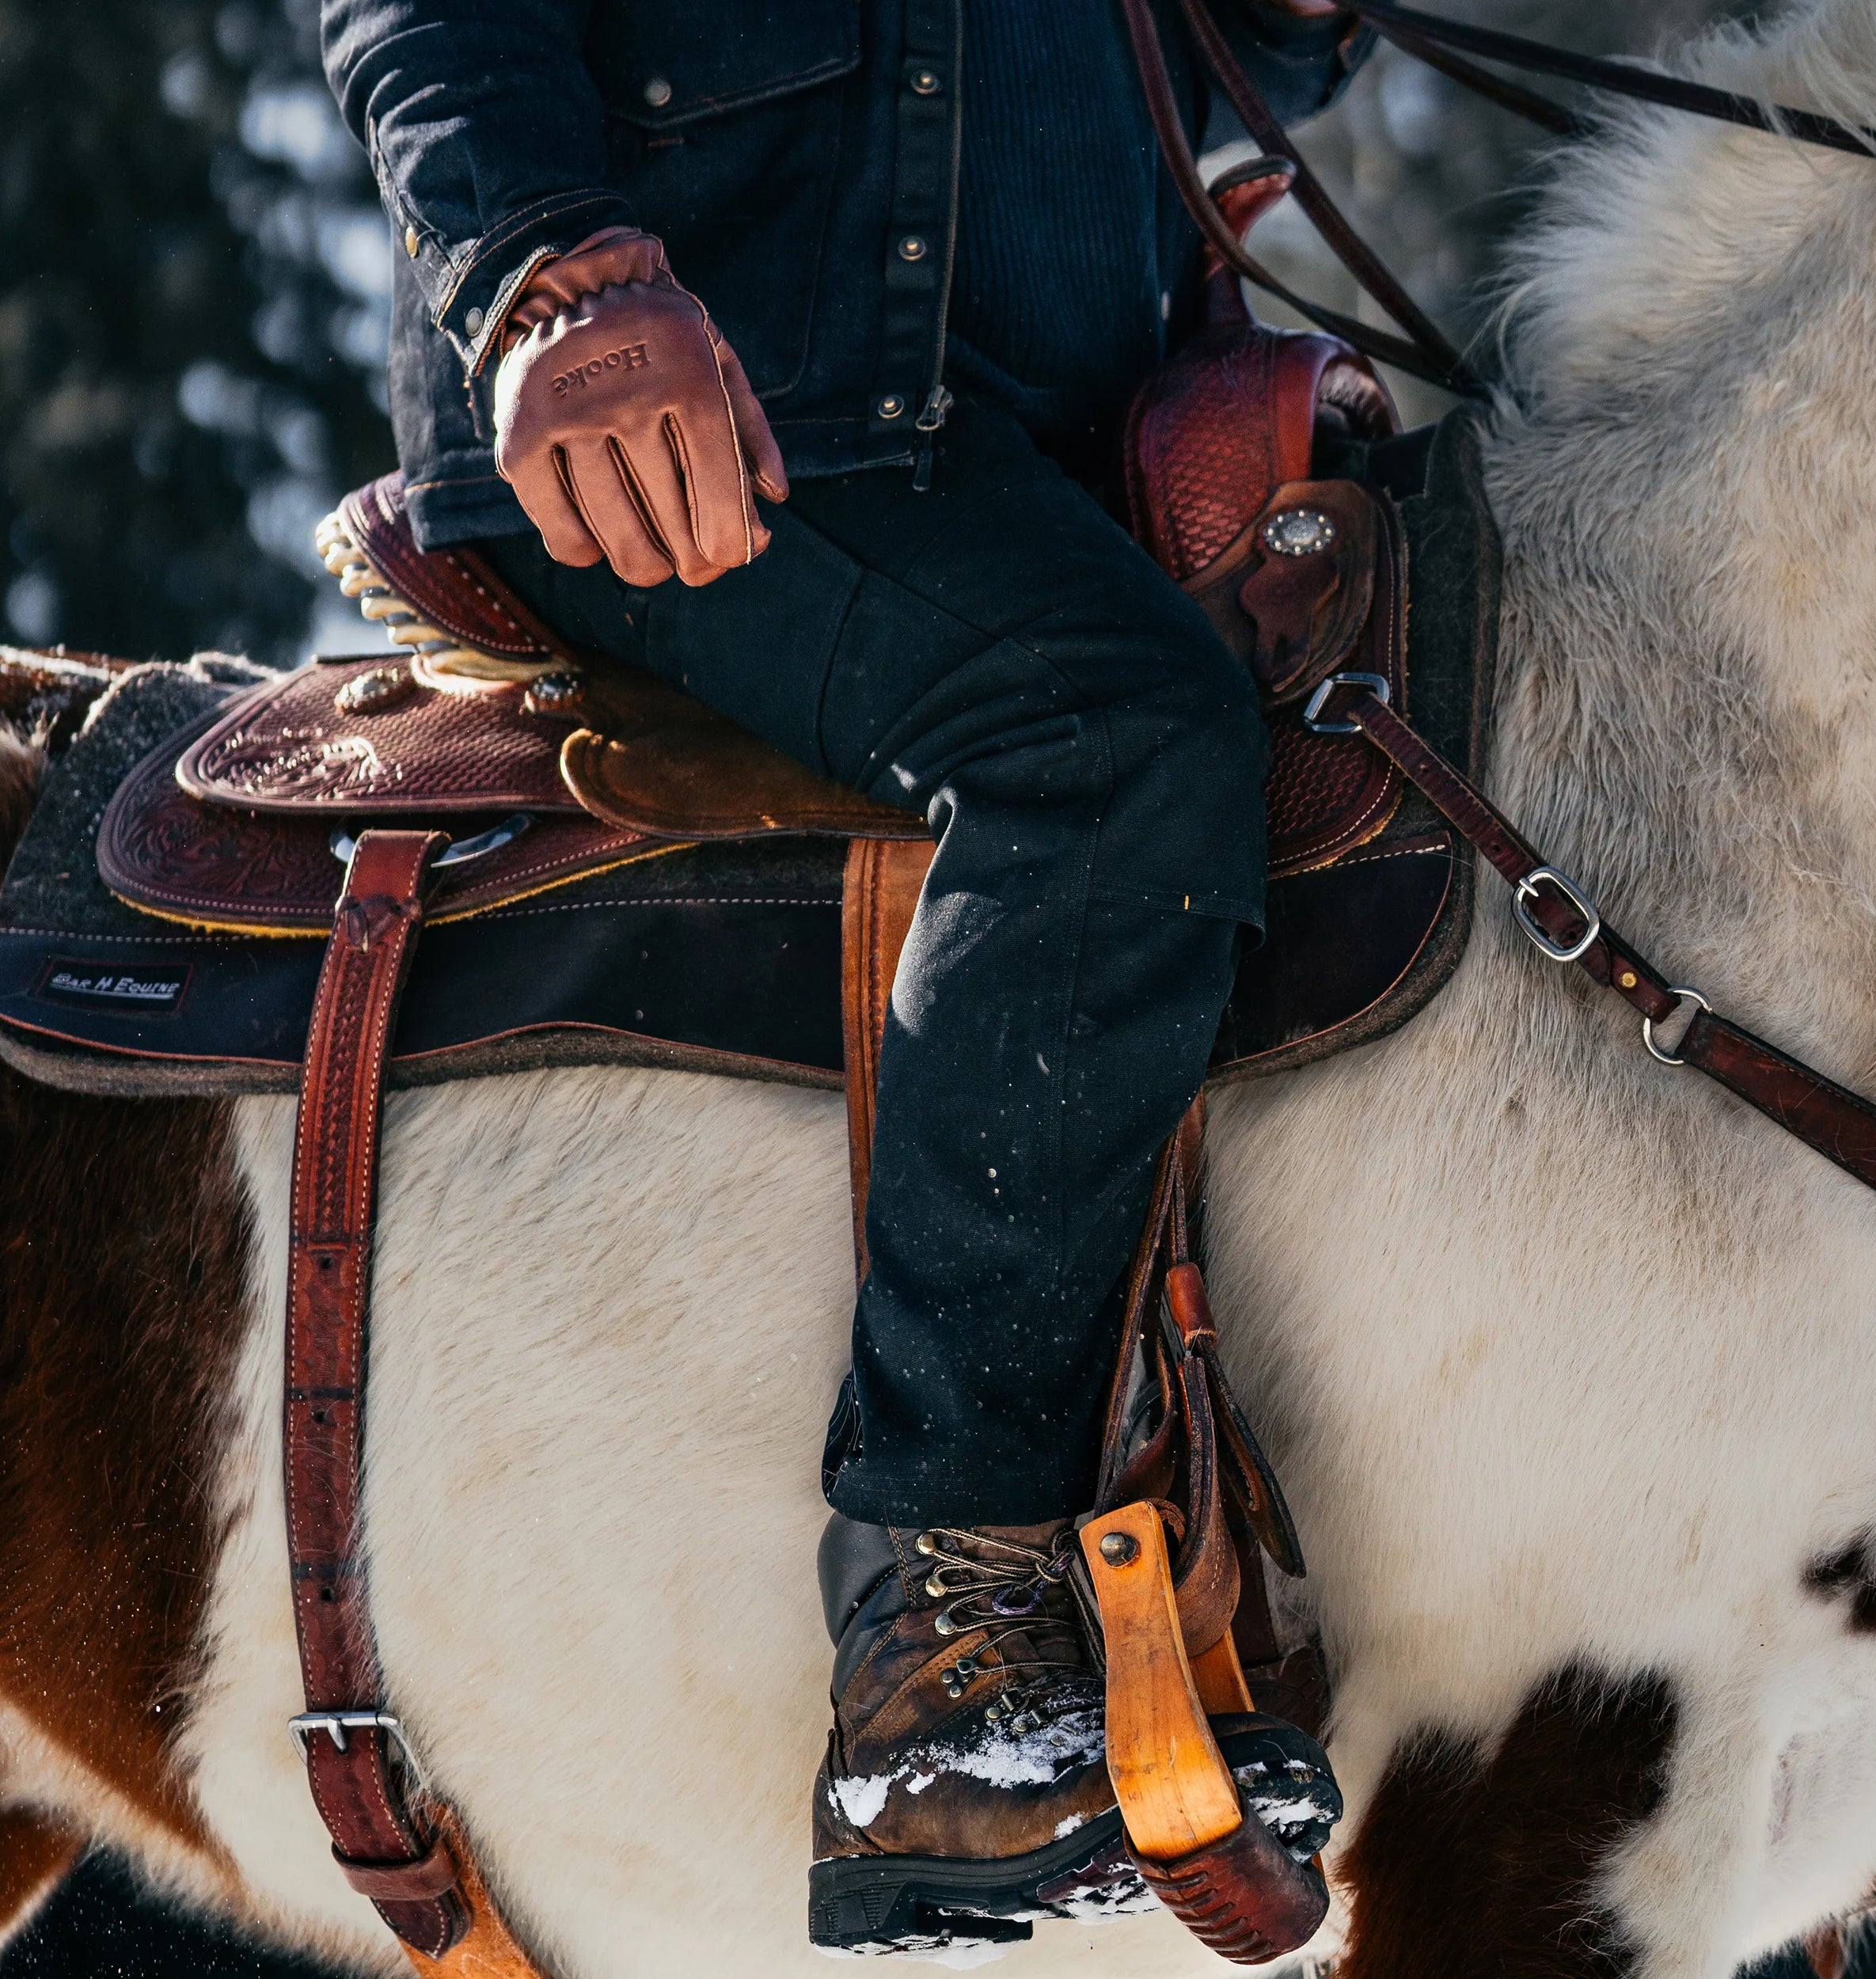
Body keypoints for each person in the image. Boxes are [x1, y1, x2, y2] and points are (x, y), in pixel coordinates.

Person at [323, 0, 1362, 1949]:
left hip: (1050, 445)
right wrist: (542, 263)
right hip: (698, 424)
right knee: (1108, 737)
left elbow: (1209, 65)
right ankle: (938, 1636)